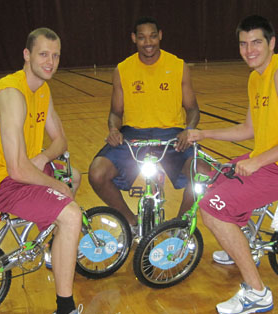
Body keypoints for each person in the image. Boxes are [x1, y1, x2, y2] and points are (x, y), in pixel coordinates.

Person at [0, 27, 106, 314]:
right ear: (27, 55)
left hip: (16, 172)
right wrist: (52, 180)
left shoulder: (42, 89)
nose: (51, 62)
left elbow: (61, 140)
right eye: (44, 54)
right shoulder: (12, 95)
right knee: (70, 214)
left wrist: (43, 158)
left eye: (56, 56)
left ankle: (53, 250)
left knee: (74, 176)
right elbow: (16, 168)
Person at [187, 15, 278, 314]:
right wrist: (204, 133)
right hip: (269, 159)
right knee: (215, 179)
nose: (249, 50)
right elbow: (248, 128)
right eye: (243, 44)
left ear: (272, 43)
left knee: (212, 210)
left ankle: (257, 293)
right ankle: (244, 245)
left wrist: (257, 161)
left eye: (256, 42)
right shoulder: (256, 77)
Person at [88, 16, 209, 232]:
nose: (148, 42)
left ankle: (179, 224)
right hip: (133, 135)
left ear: (160, 35)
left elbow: (193, 109)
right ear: (134, 39)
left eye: (153, 36)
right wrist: (113, 129)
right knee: (97, 174)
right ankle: (131, 222)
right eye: (142, 38)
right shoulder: (123, 70)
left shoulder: (178, 66)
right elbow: (116, 113)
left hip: (172, 136)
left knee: (202, 172)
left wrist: (188, 130)